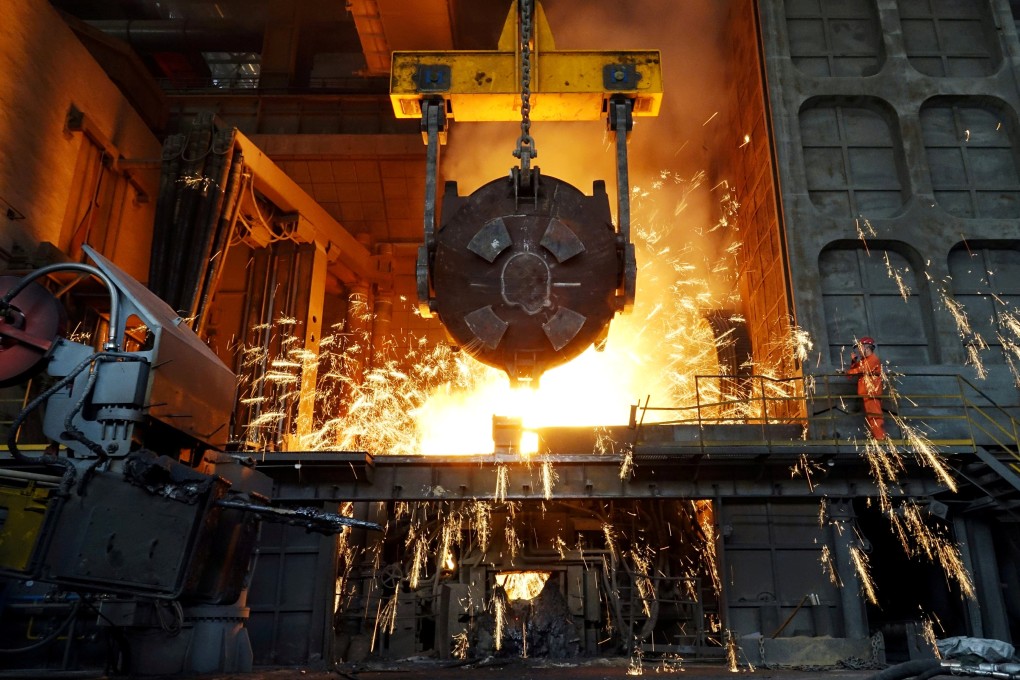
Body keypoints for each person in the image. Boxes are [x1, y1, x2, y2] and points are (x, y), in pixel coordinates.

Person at [845, 336, 886, 440]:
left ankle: (880, 438)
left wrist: (848, 372)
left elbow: (861, 370)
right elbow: (852, 373)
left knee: (875, 416)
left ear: (867, 347)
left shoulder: (873, 359)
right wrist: (853, 361)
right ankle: (877, 438)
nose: (859, 350)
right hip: (867, 393)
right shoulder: (864, 361)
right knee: (871, 417)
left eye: (860, 347)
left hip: (872, 393)